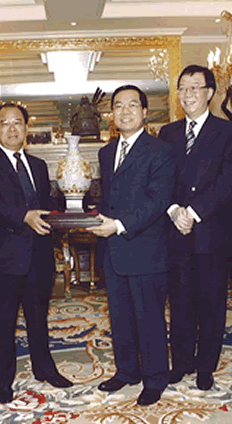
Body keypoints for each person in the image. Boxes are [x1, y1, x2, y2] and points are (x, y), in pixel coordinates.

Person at [0, 102, 73, 405]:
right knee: (3, 321)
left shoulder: (38, 165)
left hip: (39, 255)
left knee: (39, 317)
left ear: (26, 127)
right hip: (5, 256)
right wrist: (23, 217)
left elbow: (45, 206)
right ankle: (3, 381)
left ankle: (44, 368)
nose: (12, 129)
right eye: (5, 123)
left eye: (17, 122)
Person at [86, 85, 176, 406]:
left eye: (132, 105)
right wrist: (92, 214)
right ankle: (127, 371)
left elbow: (157, 200)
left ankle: (155, 379)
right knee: (120, 316)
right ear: (112, 114)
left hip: (145, 247)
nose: (125, 111)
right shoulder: (106, 152)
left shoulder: (161, 151)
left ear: (145, 112)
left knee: (149, 319)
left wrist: (119, 225)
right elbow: (109, 198)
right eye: (118, 106)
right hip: (113, 250)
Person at [158, 65, 232, 390]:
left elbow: (227, 180)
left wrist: (193, 212)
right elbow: (161, 180)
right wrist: (174, 210)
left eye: (194, 87)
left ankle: (205, 367)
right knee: (179, 301)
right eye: (182, 88)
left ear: (210, 92)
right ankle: (182, 363)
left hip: (211, 232)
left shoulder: (227, 131)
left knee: (211, 303)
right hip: (175, 231)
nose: (187, 94)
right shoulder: (167, 133)